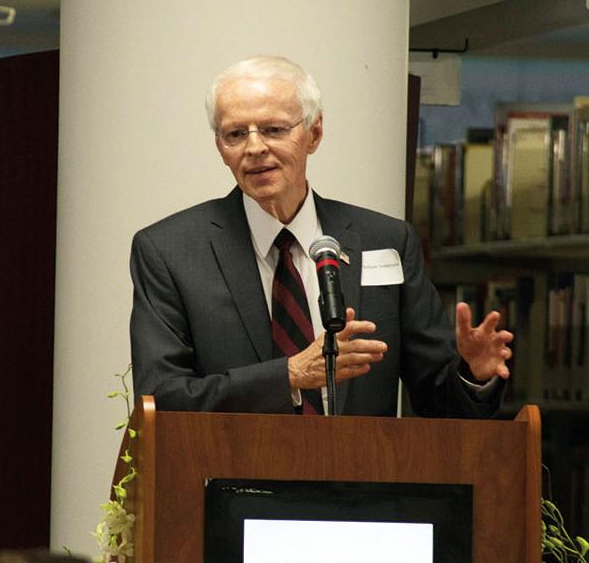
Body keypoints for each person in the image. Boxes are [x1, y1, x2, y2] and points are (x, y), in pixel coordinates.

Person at [130, 55, 512, 417]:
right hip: (228, 482)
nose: (255, 147)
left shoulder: (385, 240)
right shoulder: (170, 251)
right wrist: (288, 376)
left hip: (361, 480)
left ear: (314, 134)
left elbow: (436, 398)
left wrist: (474, 375)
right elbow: (162, 397)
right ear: (220, 148)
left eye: (274, 129)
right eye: (234, 134)